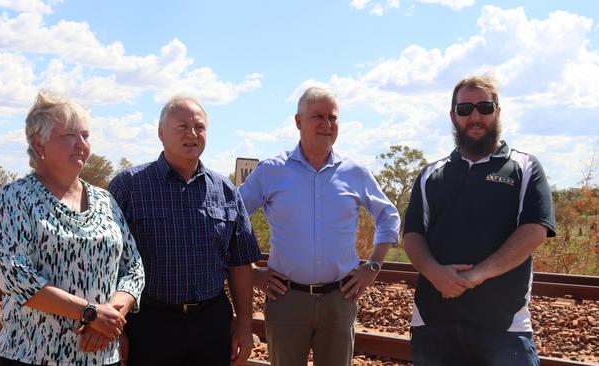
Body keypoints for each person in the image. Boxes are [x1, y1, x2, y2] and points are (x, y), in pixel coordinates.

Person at [238, 87, 401, 366]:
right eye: (318, 117)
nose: (327, 124)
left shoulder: (355, 172)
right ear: (299, 121)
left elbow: (388, 215)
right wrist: (253, 273)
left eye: (332, 117)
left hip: (340, 299)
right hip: (286, 299)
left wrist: (372, 267)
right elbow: (232, 217)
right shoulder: (271, 171)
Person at [403, 75, 557, 366]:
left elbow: (534, 231)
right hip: (434, 323)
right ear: (453, 116)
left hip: (504, 327)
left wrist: (475, 276)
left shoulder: (524, 167)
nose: (475, 116)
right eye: (465, 109)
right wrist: (436, 274)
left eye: (484, 108)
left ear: (497, 111)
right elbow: (412, 236)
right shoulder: (430, 175)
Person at [0, 91, 145, 366]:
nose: (81, 144)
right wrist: (91, 314)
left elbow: (133, 268)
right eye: (70, 136)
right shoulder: (14, 198)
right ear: (39, 143)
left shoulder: (105, 200)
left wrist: (111, 317)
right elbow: (16, 278)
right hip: (32, 356)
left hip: (100, 356)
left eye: (85, 135)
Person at [108, 95, 262, 366]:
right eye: (182, 126)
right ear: (161, 133)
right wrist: (117, 329)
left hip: (210, 324)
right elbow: (108, 262)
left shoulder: (225, 190)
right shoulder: (129, 186)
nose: (192, 134)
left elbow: (240, 263)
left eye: (199, 127)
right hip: (149, 322)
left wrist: (244, 325)